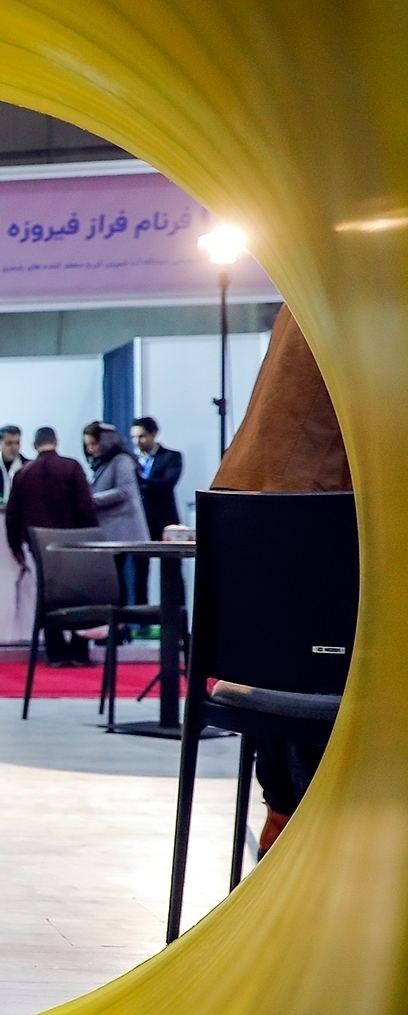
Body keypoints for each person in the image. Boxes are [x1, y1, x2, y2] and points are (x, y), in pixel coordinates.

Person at [211, 306, 351, 853]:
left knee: (280, 670)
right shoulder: (369, 293)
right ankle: (304, 831)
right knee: (329, 668)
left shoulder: (306, 296)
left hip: (251, 503)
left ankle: (283, 821)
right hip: (329, 508)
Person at [4, 427, 99, 665]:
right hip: (73, 542)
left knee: (48, 595)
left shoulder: (24, 473)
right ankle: (79, 651)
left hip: (40, 545)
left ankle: (55, 652)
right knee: (79, 595)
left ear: (34, 445)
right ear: (56, 441)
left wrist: (15, 547)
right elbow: (85, 507)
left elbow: (12, 514)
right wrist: (93, 540)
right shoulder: (72, 467)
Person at [82, 421, 146, 609]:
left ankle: (122, 621)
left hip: (123, 529)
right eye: (88, 445)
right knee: (113, 579)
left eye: (94, 443)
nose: (90, 449)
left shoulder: (122, 461)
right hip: (111, 531)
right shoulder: (101, 464)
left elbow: (124, 491)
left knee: (118, 579)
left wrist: (90, 500)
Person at [128, 416, 181, 608]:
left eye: (142, 436)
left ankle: (177, 614)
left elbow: (168, 482)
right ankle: (140, 617)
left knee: (172, 569)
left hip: (164, 519)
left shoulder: (171, 457)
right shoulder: (130, 460)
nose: (137, 441)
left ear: (153, 434)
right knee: (139, 572)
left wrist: (141, 482)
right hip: (140, 520)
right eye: (134, 437)